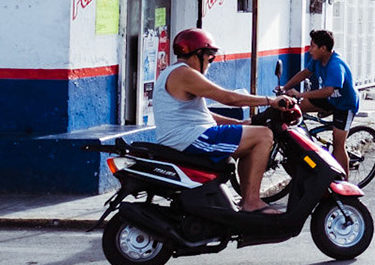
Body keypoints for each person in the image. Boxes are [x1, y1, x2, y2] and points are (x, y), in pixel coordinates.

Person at [154, 28, 293, 213]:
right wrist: (270, 100)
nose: (210, 62)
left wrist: (240, 124)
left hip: (190, 136)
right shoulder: (184, 74)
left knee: (252, 141)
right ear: (198, 53)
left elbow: (204, 115)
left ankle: (247, 201)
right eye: (210, 56)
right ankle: (251, 202)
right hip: (189, 140)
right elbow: (228, 98)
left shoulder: (175, 73)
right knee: (264, 135)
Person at [282, 29, 360, 176]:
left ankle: (344, 183)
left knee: (338, 145)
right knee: (298, 107)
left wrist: (300, 94)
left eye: (312, 46)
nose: (310, 50)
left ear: (323, 48)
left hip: (345, 105)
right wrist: (285, 87)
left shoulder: (335, 65)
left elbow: (328, 90)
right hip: (330, 100)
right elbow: (305, 73)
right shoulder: (317, 59)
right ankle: (304, 141)